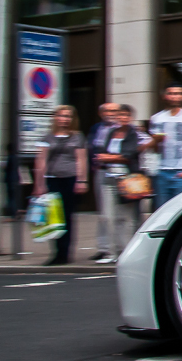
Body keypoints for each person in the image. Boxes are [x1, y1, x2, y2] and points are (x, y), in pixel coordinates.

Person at [32, 105, 88, 266]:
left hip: (70, 179)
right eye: (61, 116)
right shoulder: (47, 137)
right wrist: (39, 184)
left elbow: (81, 159)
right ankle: (56, 252)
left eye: (68, 116)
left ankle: (65, 253)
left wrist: (82, 180)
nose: (64, 119)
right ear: (55, 118)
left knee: (67, 217)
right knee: (53, 217)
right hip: (53, 179)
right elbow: (41, 161)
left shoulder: (77, 137)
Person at [94, 105, 143, 263]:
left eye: (126, 115)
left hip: (127, 178)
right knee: (108, 217)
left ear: (130, 118)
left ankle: (125, 252)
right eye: (120, 115)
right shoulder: (111, 132)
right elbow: (102, 152)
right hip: (109, 177)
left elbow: (129, 154)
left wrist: (108, 158)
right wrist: (107, 158)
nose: (122, 118)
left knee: (125, 218)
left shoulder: (133, 133)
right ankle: (111, 252)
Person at [148, 84, 182, 208]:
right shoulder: (157, 118)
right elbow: (155, 149)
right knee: (161, 209)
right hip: (161, 170)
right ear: (165, 96)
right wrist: (156, 141)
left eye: (179, 93)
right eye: (172, 93)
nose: (175, 97)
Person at [85, 102, 118, 260]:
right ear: (101, 113)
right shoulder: (96, 128)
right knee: (103, 214)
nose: (110, 113)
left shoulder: (123, 128)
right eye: (107, 110)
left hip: (119, 173)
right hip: (100, 171)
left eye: (114, 110)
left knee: (117, 214)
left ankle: (116, 248)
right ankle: (103, 247)